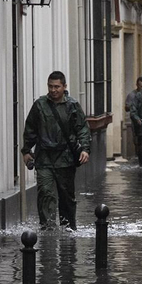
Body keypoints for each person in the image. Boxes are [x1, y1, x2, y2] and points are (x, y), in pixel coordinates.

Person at [21, 71, 91, 229]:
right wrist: (26, 151)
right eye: (50, 86)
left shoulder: (72, 106)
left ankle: (68, 227)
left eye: (57, 87)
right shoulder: (39, 105)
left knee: (66, 197)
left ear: (64, 87)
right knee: (46, 193)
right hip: (44, 158)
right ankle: (47, 227)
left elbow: (82, 129)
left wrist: (85, 149)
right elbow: (30, 129)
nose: (53, 90)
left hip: (65, 158)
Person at [126, 76, 142, 164]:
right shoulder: (132, 95)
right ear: (137, 85)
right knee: (137, 139)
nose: (141, 88)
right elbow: (126, 107)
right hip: (136, 122)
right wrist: (133, 106)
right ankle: (139, 157)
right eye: (140, 86)